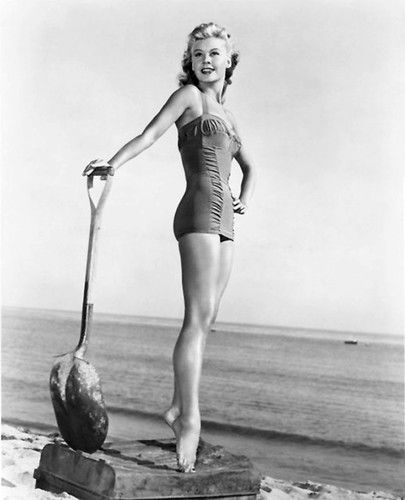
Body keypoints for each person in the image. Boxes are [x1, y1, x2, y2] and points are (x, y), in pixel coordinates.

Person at [83, 22, 256, 473]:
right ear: (190, 62)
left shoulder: (231, 117)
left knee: (208, 319)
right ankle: (189, 420)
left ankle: (178, 407)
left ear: (229, 61)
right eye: (198, 54)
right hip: (197, 213)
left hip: (226, 223)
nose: (206, 60)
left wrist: (244, 198)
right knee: (195, 320)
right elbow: (149, 135)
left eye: (214, 53)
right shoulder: (189, 99)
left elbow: (251, 167)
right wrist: (111, 163)